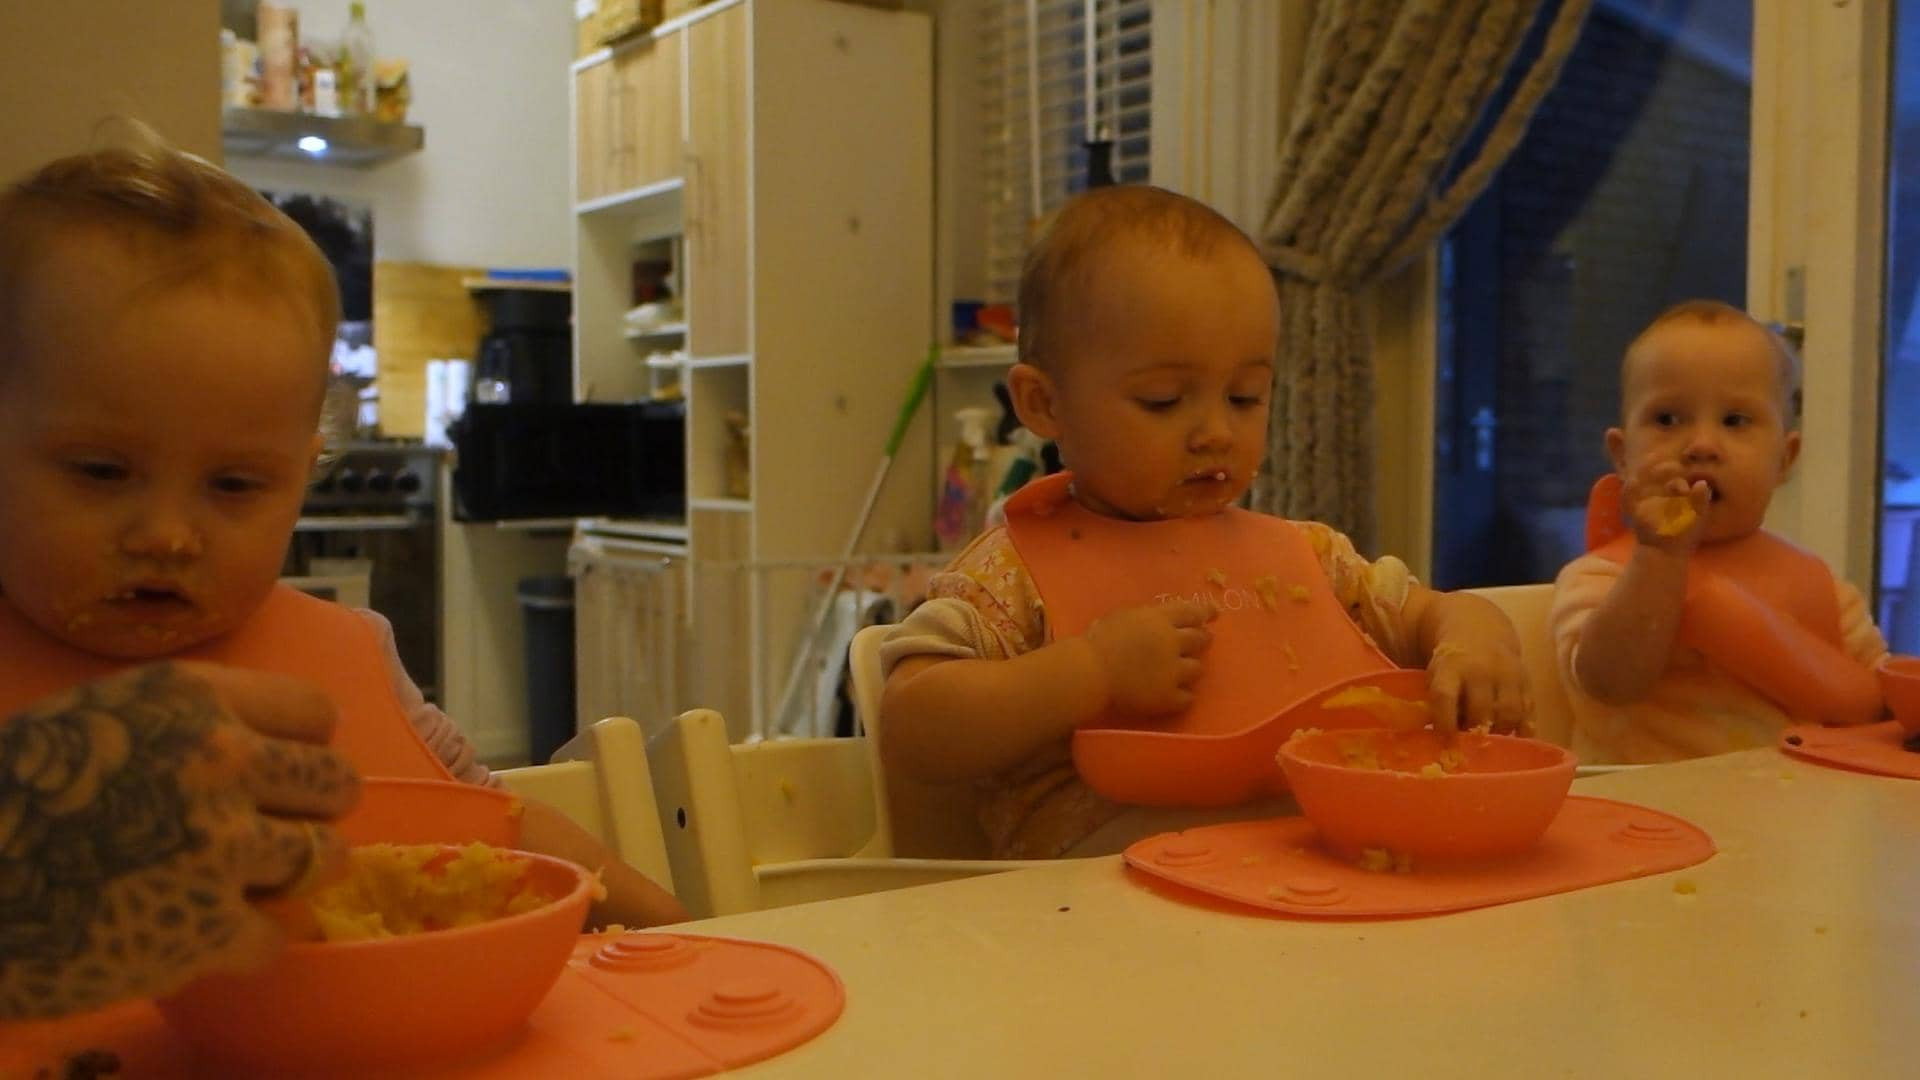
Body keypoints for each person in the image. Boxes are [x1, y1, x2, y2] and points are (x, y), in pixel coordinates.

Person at [0, 136, 683, 1019]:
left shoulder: (352, 653)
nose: (167, 535)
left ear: (303, 471)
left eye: (234, 485)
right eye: (100, 470)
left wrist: (681, 932)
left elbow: (494, 827)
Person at [879, 185, 1528, 860]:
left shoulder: (1310, 558)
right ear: (1044, 403)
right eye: (1163, 400)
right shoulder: (1011, 574)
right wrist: (1089, 671)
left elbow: (1429, 613)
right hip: (1096, 899)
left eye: (1244, 397)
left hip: (1306, 872)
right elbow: (909, 729)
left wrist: (1469, 636)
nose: (1216, 431)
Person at [1552, 300, 1887, 763]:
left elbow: (1882, 706)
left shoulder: (1827, 592)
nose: (1702, 445)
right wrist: (1659, 559)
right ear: (1623, 456)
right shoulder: (1601, 579)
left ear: (1785, 459)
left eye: (1735, 421)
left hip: (1797, 806)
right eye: (1668, 419)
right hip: (1645, 805)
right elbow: (1609, 684)